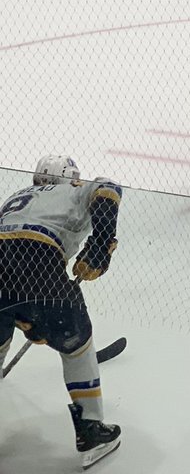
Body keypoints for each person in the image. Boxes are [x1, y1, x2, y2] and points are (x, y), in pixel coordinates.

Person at [0, 156, 122, 468]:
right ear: (69, 177)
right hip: (36, 260)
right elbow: (109, 188)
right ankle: (91, 429)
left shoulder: (16, 198)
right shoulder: (73, 190)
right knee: (76, 343)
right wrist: (100, 244)